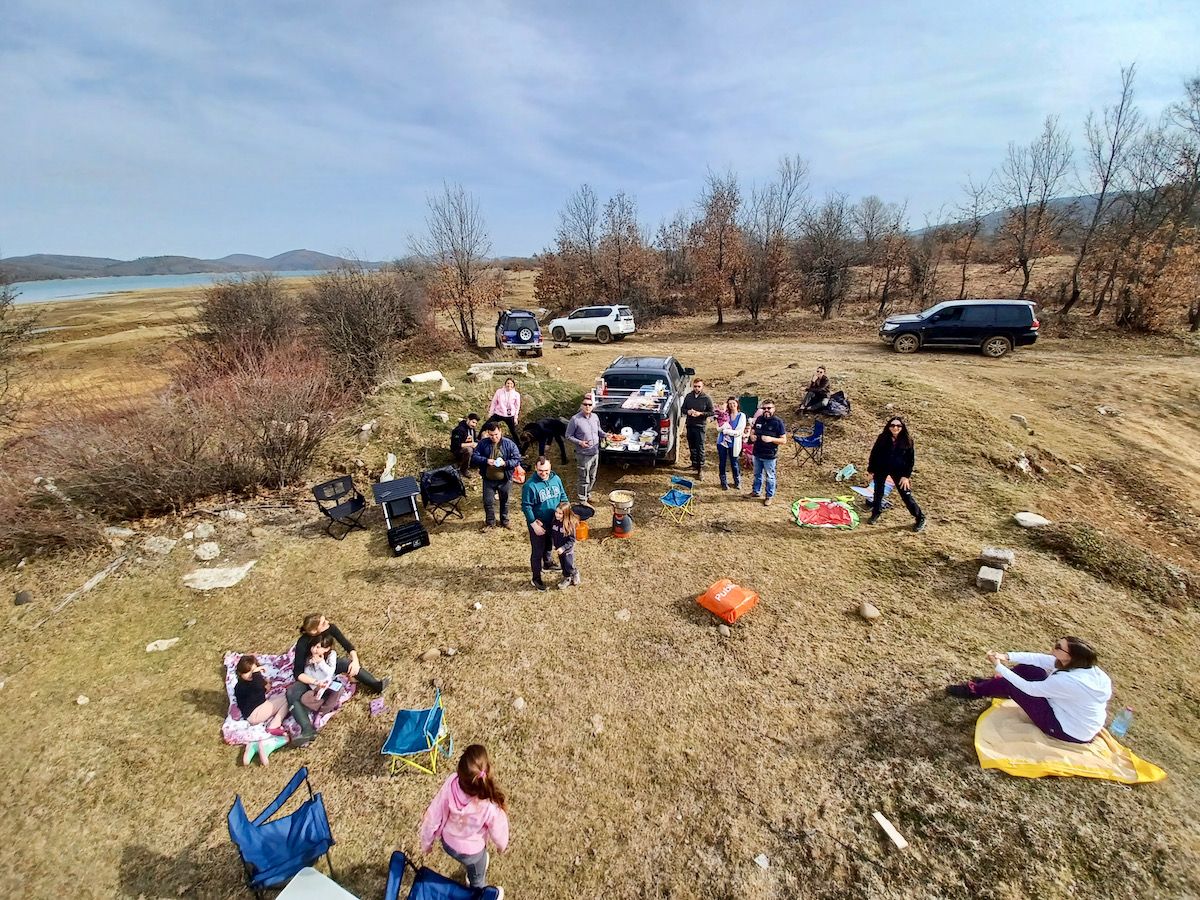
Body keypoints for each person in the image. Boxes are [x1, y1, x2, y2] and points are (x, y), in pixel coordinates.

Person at [945, 637, 1112, 744]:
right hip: (1071, 716)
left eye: (1058, 647)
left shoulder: (1069, 682)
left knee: (1013, 685)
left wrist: (999, 666)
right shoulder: (1088, 669)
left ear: (1069, 656)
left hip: (1064, 729)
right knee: (1031, 669)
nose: (1053, 648)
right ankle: (993, 684)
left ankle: (975, 691)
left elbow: (1029, 689)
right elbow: (1040, 660)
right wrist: (1007, 656)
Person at [285, 614, 389, 747]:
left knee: (346, 663)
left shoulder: (330, 628)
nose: (327, 623)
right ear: (314, 631)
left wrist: (355, 661)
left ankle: (375, 685)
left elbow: (346, 644)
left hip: (329, 667)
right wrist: (315, 682)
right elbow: (298, 673)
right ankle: (307, 730)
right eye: (323, 623)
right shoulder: (303, 643)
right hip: (311, 675)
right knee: (291, 693)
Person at [418, 744, 509, 895]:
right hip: (473, 853)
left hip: (448, 844)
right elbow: (499, 829)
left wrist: (426, 843)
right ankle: (480, 894)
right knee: (477, 879)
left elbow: (432, 817)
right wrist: (501, 846)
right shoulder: (489, 805)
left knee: (475, 863)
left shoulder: (450, 783)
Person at [866, 416, 926, 532]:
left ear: (902, 427)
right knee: (878, 492)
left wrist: (906, 476)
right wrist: (871, 471)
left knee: (906, 495)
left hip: (899, 471)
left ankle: (920, 517)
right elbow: (874, 454)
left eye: (898, 426)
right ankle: (876, 513)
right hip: (881, 468)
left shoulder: (907, 440)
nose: (895, 428)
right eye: (892, 425)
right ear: (889, 427)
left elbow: (910, 460)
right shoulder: (882, 438)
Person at [520, 456, 568, 592]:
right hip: (539, 523)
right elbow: (526, 506)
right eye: (540, 470)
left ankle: (547, 563)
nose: (544, 473)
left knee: (549, 543)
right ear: (536, 468)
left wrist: (566, 513)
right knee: (537, 551)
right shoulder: (530, 485)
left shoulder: (556, 479)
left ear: (550, 467)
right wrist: (533, 523)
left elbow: (563, 496)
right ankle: (536, 578)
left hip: (554, 520)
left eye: (546, 470)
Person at [234, 655, 289, 766]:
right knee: (288, 698)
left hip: (257, 710)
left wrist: (265, 682)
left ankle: (254, 745)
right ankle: (274, 726)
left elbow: (264, 687)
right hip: (256, 713)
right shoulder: (242, 686)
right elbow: (257, 686)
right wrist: (256, 673)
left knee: (280, 697)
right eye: (248, 672)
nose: (251, 674)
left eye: (253, 671)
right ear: (240, 673)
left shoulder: (250, 683)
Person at [471, 421, 523, 531]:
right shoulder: (483, 443)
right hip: (488, 479)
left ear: (500, 431)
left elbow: (517, 459)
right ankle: (490, 523)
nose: (494, 437)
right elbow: (474, 456)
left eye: (496, 434)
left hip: (505, 479)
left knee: (505, 501)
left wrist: (506, 463)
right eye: (491, 435)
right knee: (488, 502)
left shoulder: (509, 444)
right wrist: (486, 460)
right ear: (488, 433)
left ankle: (505, 521)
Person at [747, 399, 786, 506]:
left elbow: (784, 440)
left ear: (774, 409)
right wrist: (752, 436)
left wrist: (771, 439)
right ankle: (756, 492)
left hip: (769, 455)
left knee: (770, 477)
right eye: (764, 408)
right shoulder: (759, 419)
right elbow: (753, 430)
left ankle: (769, 496)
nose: (766, 410)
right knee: (757, 474)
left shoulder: (778, 422)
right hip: (757, 452)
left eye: (769, 408)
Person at [565, 397, 602, 505]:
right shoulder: (575, 419)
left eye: (590, 404)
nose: (587, 406)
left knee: (592, 477)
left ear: (593, 406)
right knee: (584, 478)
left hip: (595, 452)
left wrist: (606, 435)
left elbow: (599, 431)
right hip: (583, 455)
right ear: (581, 406)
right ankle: (582, 500)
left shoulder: (595, 417)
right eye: (585, 404)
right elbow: (568, 435)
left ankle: (588, 494)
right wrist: (580, 442)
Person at [298, 635, 342, 716]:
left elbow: (330, 672)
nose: (314, 649)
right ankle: (328, 703)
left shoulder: (331, 654)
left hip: (328, 683)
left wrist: (321, 662)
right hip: (316, 686)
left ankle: (322, 711)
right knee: (304, 699)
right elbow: (307, 674)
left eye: (318, 647)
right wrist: (316, 686)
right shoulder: (309, 657)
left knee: (338, 689)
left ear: (327, 648)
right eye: (313, 646)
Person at [681, 378, 714, 480]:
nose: (697, 388)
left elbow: (711, 412)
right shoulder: (688, 396)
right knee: (692, 446)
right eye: (695, 386)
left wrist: (700, 414)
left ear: (702, 387)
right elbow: (683, 409)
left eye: (699, 386)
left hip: (700, 426)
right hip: (690, 424)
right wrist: (688, 412)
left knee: (700, 447)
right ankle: (694, 464)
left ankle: (700, 469)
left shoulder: (706, 398)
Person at [716, 396, 746, 491]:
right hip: (722, 442)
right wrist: (723, 428)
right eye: (730, 404)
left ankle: (737, 481)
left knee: (734, 462)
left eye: (734, 403)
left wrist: (727, 431)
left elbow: (739, 431)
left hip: (734, 443)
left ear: (737, 404)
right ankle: (723, 482)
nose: (732, 405)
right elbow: (718, 428)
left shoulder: (741, 416)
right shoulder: (724, 414)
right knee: (722, 462)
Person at [550, 502, 581, 589]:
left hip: (567, 551)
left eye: (560, 513)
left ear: (566, 514)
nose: (557, 515)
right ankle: (567, 578)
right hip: (559, 549)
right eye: (556, 512)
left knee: (569, 565)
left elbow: (572, 540)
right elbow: (553, 533)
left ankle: (575, 573)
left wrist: (563, 548)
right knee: (563, 565)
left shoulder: (569, 525)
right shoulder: (554, 522)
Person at [487, 377, 522, 442]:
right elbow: (494, 402)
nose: (509, 385)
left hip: (509, 415)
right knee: (486, 425)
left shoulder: (516, 394)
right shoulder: (499, 391)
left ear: (513, 385)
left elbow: (517, 407)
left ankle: (518, 444)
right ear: (505, 384)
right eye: (508, 383)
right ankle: (479, 439)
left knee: (513, 431)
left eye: (511, 383)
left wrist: (515, 417)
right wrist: (491, 413)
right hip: (499, 413)